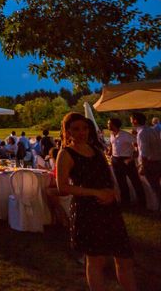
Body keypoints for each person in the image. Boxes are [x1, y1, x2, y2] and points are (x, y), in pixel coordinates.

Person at [56, 112, 136, 291]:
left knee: (124, 258)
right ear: (67, 131)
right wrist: (96, 193)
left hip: (110, 209)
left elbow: (108, 176)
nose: (81, 132)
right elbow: (62, 187)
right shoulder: (66, 153)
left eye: (84, 128)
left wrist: (114, 192)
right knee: (96, 260)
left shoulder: (96, 150)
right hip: (87, 210)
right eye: (75, 129)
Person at [108, 118, 146, 208]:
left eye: (109, 123)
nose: (107, 125)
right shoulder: (112, 134)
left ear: (114, 125)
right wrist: (110, 151)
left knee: (135, 181)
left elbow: (138, 146)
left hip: (126, 160)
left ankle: (142, 202)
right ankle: (126, 202)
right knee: (121, 182)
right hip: (115, 160)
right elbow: (112, 144)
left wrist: (132, 157)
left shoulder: (125, 135)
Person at [131, 112, 161, 211]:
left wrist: (142, 166)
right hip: (157, 160)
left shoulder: (142, 133)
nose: (130, 121)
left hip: (149, 163)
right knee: (157, 185)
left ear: (135, 121)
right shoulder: (152, 130)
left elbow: (144, 152)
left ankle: (157, 207)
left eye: (131, 119)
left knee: (153, 187)